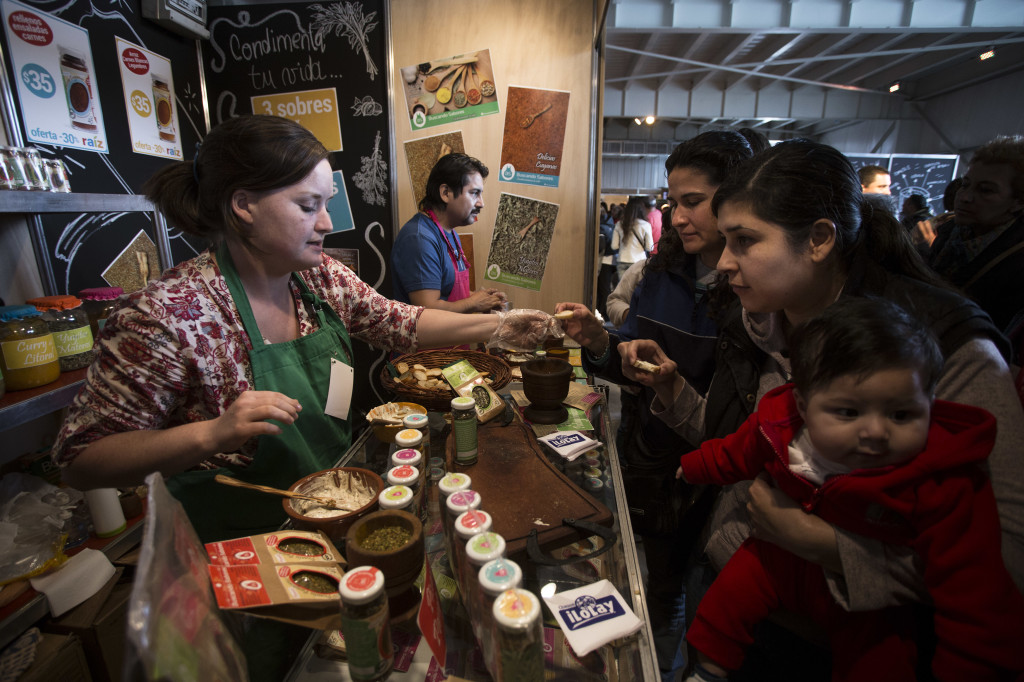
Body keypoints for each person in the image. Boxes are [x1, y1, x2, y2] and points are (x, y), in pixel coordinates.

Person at [615, 139, 1024, 677]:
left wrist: (828, 547)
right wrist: (670, 391)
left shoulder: (941, 345)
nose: (725, 262)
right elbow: (750, 444)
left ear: (818, 239)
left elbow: (1007, 560)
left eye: (745, 241)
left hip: (852, 638)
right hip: (737, 588)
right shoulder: (759, 318)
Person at [51, 115, 559, 544]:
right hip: (239, 547)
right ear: (244, 204)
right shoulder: (165, 315)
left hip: (336, 514)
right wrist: (211, 433)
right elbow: (81, 459)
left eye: (326, 202)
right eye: (307, 205)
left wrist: (500, 325)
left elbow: (399, 320)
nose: (326, 223)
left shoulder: (316, 278)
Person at [677, 298, 1024, 682]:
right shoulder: (780, 426)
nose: (875, 432)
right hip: (775, 558)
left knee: (884, 656)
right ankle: (707, 671)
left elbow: (975, 600)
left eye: (901, 414)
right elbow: (738, 451)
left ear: (931, 403)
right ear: (804, 406)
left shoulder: (942, 482)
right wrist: (695, 467)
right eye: (848, 412)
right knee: (726, 602)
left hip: (866, 602)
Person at [557, 129, 766, 682]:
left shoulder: (761, 297)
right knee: (651, 579)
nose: (675, 216)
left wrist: (673, 392)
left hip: (717, 489)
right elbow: (629, 361)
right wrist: (599, 339)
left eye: (692, 201)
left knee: (685, 599)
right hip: (649, 459)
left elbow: (743, 429)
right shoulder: (660, 272)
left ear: (737, 198)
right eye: (672, 201)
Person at [928, 134, 1024, 338]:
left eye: (986, 190)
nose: (964, 197)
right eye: (965, 184)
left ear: (1018, 202)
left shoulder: (1018, 263)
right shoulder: (946, 232)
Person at [390, 153, 506, 313]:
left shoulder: (449, 233)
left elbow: (446, 294)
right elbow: (427, 311)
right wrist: (473, 303)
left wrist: (482, 298)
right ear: (445, 193)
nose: (481, 203)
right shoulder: (419, 238)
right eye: (474, 193)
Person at [611, 195, 654, 279]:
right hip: (639, 261)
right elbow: (650, 248)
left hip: (622, 259)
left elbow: (614, 246)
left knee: (623, 290)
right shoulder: (645, 225)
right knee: (637, 290)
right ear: (642, 209)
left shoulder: (619, 224)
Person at [596, 201, 618, 320]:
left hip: (604, 261)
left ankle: (603, 313)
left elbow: (599, 248)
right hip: (611, 260)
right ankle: (602, 312)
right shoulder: (610, 224)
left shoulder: (601, 227)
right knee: (604, 288)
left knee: (603, 289)